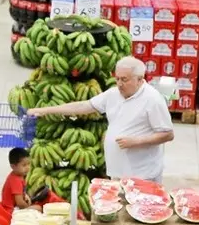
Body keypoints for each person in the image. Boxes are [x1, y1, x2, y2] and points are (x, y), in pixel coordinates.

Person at [27, 56, 174, 185]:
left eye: (125, 79)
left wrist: (136, 141)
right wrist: (44, 111)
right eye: (117, 78)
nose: (119, 84)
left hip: (143, 176)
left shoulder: (153, 99)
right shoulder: (113, 94)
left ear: (140, 80)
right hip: (117, 173)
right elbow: (83, 106)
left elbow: (168, 134)